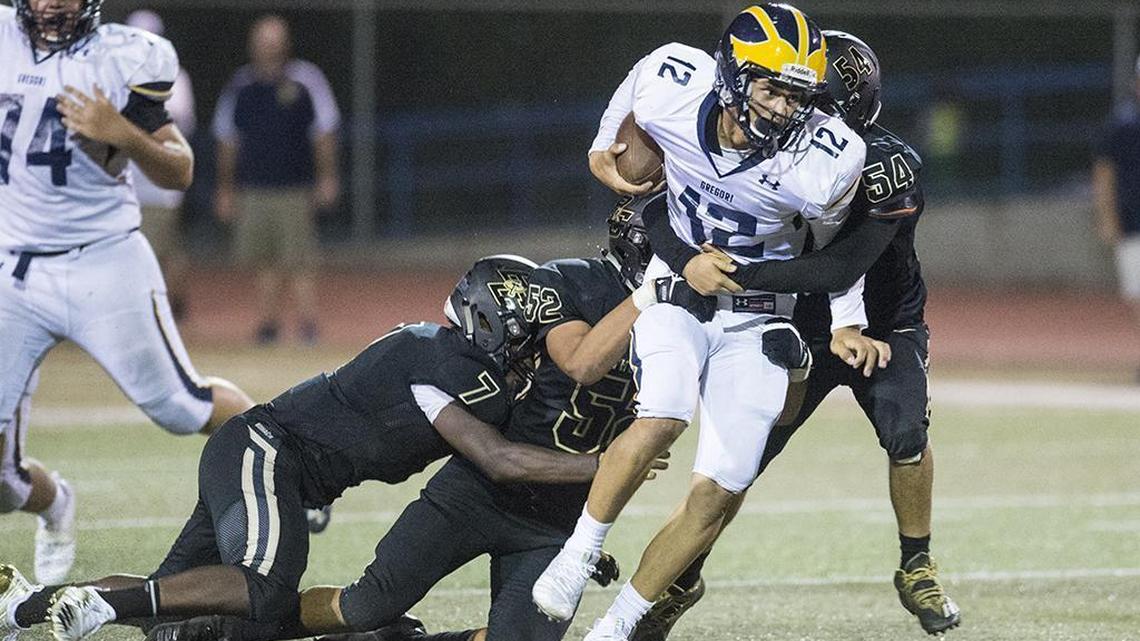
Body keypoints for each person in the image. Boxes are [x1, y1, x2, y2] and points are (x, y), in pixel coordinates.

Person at [136, 194, 741, 641]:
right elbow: (581, 364)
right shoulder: (572, 283)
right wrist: (649, 302)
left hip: (557, 517)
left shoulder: (691, 324)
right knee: (366, 604)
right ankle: (238, 628)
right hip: (478, 488)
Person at [0, 255, 613, 641]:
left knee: (179, 601)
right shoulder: (440, 359)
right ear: (490, 320)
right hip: (266, 451)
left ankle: (22, 605)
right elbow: (498, 459)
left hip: (272, 463)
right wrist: (601, 467)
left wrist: (572, 531)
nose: (532, 345)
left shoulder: (453, 359)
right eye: (527, 331)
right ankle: (105, 609)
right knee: (263, 591)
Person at [531, 6, 889, 640]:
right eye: (772, 88)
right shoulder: (677, 85)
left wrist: (846, 321)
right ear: (729, 75)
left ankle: (619, 624)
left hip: (759, 318)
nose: (783, 108)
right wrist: (602, 143)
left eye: (797, 94)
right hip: (675, 288)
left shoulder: (825, 157)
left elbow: (841, 243)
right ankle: (578, 554)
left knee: (720, 489)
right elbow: (641, 76)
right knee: (665, 412)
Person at [633, 31, 961, 638]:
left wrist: (732, 272)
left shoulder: (887, 166)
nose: (797, 120)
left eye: (813, 107)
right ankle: (681, 578)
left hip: (882, 323)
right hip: (793, 315)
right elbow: (663, 199)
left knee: (905, 430)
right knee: (741, 460)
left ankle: (916, 562)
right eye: (790, 101)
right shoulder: (758, 148)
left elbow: (842, 267)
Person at [0, 0, 254, 586]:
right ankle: (56, 501)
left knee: (181, 405)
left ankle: (290, 466)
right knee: (1, 482)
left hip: (102, 259)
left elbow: (179, 169)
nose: (51, 3)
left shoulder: (122, 55)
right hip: (14, 270)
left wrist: (122, 134)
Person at [213, 14, 341, 345]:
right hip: (254, 188)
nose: (268, 47)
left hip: (295, 187)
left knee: (299, 259)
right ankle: (269, 325)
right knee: (263, 260)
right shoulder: (241, 85)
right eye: (262, 40)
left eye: (274, 40)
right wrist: (226, 188)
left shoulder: (306, 80)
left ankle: (308, 325)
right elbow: (227, 139)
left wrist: (327, 177)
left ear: (285, 44)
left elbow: (324, 133)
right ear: (253, 45)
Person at [125, 8, 196, 320]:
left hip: (158, 182)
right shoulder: (114, 71)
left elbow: (179, 125)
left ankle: (167, 309)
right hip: (123, 180)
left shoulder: (174, 75)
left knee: (161, 250)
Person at [1093, 54, 1140, 382]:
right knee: (1136, 295)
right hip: (1133, 220)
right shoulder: (1123, 124)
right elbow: (1104, 171)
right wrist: (1107, 216)